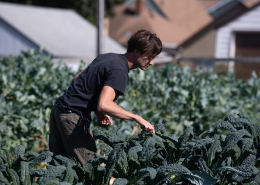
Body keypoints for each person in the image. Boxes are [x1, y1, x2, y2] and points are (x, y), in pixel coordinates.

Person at [48, 30, 162, 166]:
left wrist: (98, 112)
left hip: (59, 111)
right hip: (72, 118)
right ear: (137, 52)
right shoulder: (120, 71)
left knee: (58, 169)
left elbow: (77, 79)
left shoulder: (108, 57)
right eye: (149, 57)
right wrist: (137, 118)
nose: (152, 63)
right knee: (89, 170)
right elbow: (104, 104)